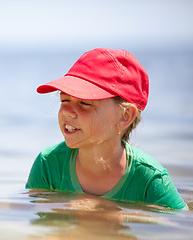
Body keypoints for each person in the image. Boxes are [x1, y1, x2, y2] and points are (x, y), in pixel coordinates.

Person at [26, 48, 188, 210]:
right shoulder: (47, 164)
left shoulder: (150, 179)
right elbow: (30, 215)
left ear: (124, 116)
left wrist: (104, 210)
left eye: (85, 103)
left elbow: (180, 226)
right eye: (64, 100)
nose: (67, 111)